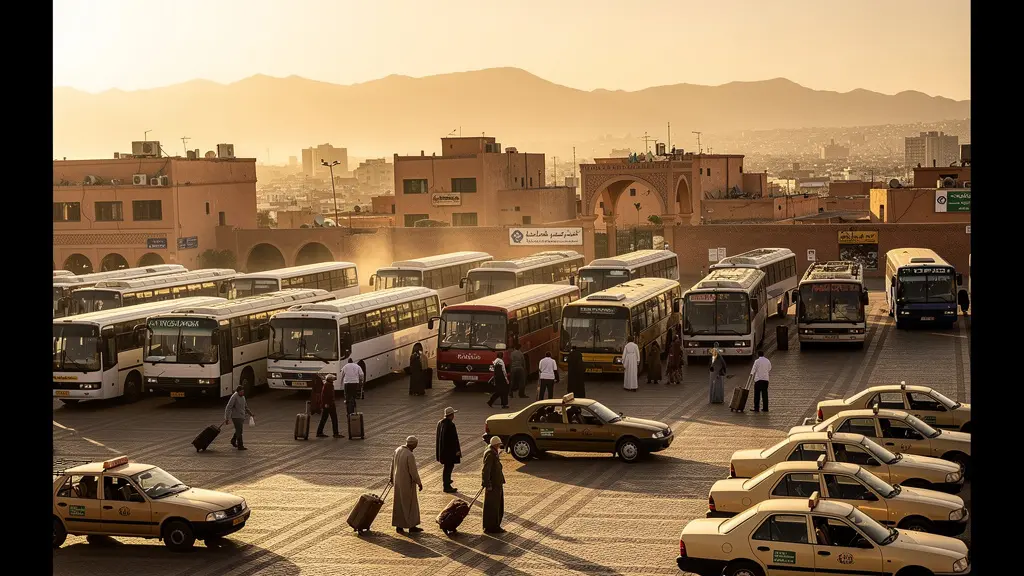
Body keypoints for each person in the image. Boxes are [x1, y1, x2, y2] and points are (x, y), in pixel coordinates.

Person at [390, 436, 424, 534]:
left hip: (398, 482)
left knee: (399, 504)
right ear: (413, 445)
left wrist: (391, 477)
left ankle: (399, 526)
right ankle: (412, 526)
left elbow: (392, 465)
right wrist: (419, 482)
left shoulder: (397, 450)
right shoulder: (409, 455)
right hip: (407, 483)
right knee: (410, 505)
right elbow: (413, 472)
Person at [481, 435, 506, 534]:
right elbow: (486, 470)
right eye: (499, 445)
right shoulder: (490, 454)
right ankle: (493, 527)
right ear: (495, 445)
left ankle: (493, 525)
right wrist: (487, 484)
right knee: (493, 507)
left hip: (497, 483)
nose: (499, 446)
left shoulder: (493, 452)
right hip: (493, 484)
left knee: (497, 506)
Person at [435, 407, 462, 493]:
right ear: (451, 415)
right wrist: (457, 450)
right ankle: (446, 485)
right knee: (448, 467)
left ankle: (447, 482)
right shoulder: (450, 425)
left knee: (447, 467)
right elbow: (453, 440)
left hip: (443, 451)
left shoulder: (440, 423)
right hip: (449, 452)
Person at [223, 385, 254, 450]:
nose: (242, 393)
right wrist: (226, 418)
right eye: (241, 392)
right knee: (240, 431)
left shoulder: (243, 397)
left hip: (241, 416)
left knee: (238, 430)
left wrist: (250, 413)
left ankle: (233, 440)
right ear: (238, 391)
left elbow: (245, 407)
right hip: (236, 417)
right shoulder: (234, 397)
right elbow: (228, 407)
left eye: (243, 392)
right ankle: (240, 445)